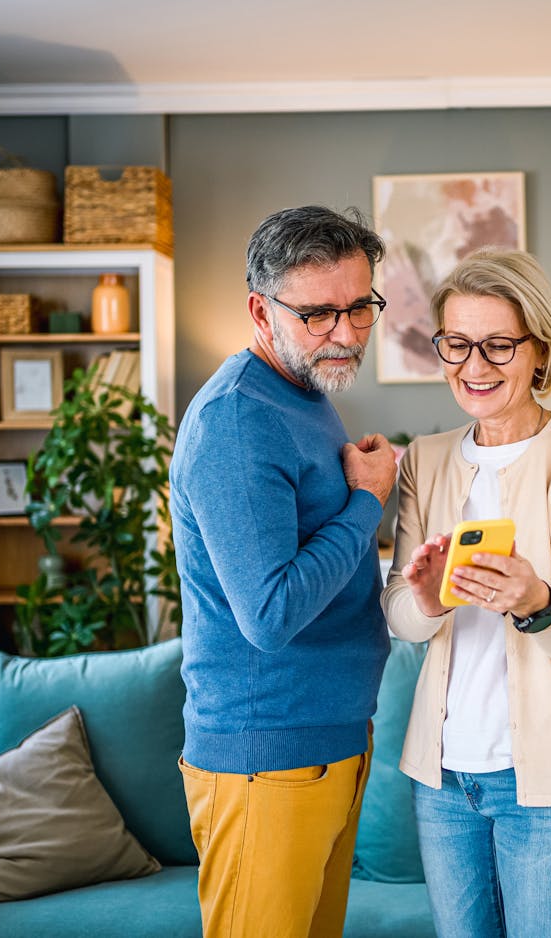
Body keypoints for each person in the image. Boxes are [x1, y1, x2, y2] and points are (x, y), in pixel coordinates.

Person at [381, 248, 551, 937]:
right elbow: (402, 619)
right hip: (445, 782)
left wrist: (536, 602)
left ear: (540, 350)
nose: (474, 366)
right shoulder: (426, 460)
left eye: (497, 345)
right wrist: (429, 600)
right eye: (456, 344)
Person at [170, 205, 398, 937]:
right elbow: (269, 616)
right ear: (260, 312)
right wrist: (367, 502)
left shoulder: (305, 391)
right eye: (318, 314)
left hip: (328, 743)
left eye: (359, 307)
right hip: (265, 760)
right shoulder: (238, 419)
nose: (345, 332)